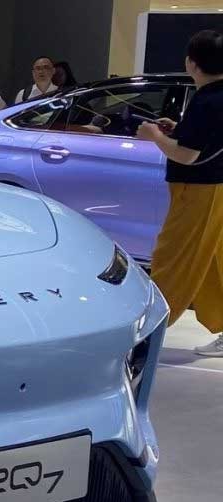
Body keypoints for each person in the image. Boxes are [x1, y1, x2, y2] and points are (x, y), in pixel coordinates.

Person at [136, 30, 223, 356]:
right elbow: (205, 141)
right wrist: (176, 130)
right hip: (215, 188)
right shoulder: (216, 97)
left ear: (192, 63)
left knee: (171, 261)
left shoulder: (206, 101)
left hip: (197, 191)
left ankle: (144, 334)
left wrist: (154, 136)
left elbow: (187, 155)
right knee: (213, 264)